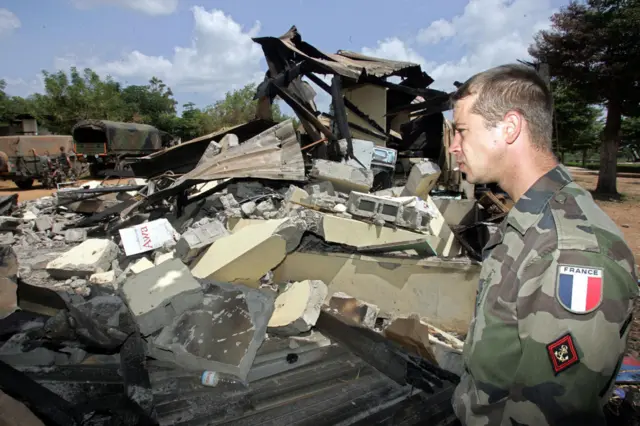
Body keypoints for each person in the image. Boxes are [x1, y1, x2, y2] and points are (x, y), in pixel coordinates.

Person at [448, 64, 638, 425]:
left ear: (509, 128)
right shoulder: (530, 219)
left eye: (461, 131)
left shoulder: (570, 251)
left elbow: (550, 411)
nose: (454, 146)